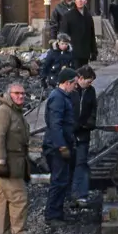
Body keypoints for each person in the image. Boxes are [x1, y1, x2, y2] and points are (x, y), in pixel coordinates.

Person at [0, 83, 39, 234]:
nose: (20, 96)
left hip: (16, 162)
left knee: (5, 198)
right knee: (19, 197)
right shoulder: (3, 112)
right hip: (8, 163)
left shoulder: (14, 112)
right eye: (17, 93)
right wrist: (1, 161)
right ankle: (19, 232)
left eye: (23, 94)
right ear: (9, 94)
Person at [42, 68, 77, 226]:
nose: (75, 87)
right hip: (56, 147)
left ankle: (58, 212)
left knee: (62, 180)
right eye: (74, 83)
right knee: (58, 180)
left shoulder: (62, 97)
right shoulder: (58, 98)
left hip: (60, 144)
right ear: (67, 83)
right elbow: (55, 125)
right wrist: (61, 146)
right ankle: (52, 215)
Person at [70, 65, 98, 207]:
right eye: (88, 81)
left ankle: (81, 195)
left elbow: (93, 109)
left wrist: (89, 123)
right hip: (70, 134)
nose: (90, 84)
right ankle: (71, 193)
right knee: (70, 163)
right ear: (80, 78)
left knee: (81, 162)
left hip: (83, 133)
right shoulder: (71, 90)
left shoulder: (90, 91)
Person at [64, 0, 98, 68]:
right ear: (75, 1)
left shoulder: (88, 16)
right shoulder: (68, 16)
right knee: (75, 74)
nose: (80, 0)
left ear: (85, 1)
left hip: (85, 52)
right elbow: (64, 34)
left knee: (84, 74)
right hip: (73, 51)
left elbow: (92, 35)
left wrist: (94, 51)